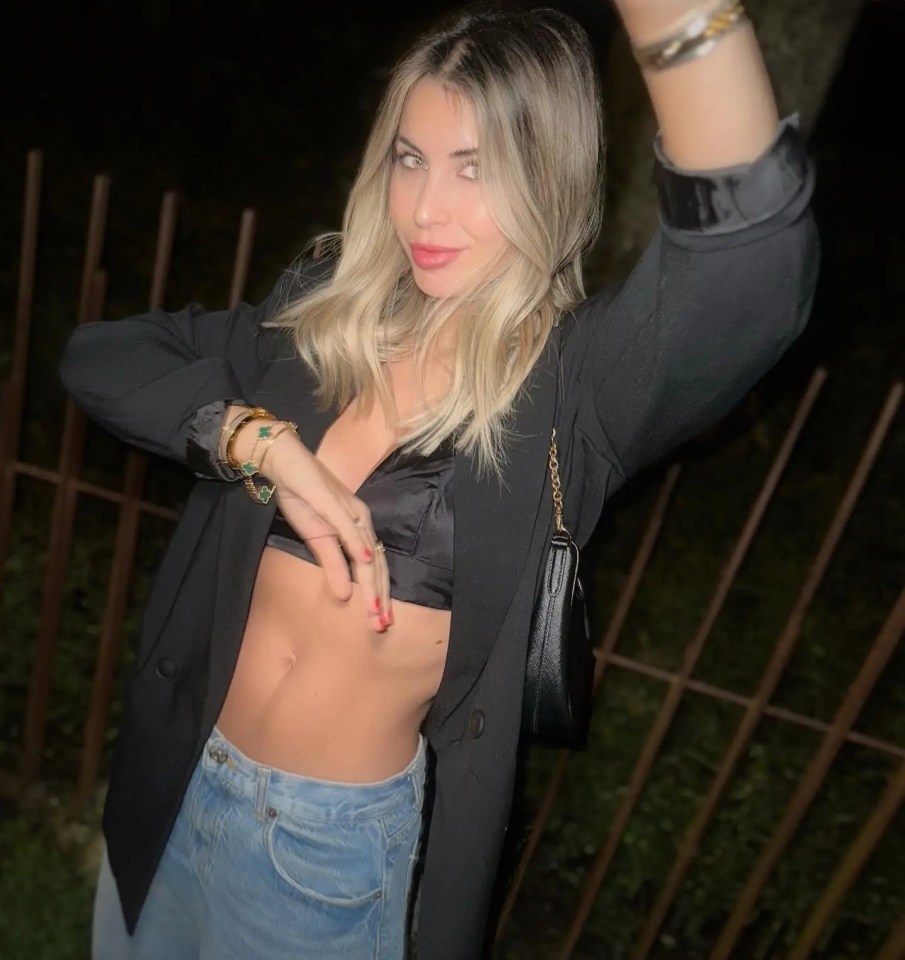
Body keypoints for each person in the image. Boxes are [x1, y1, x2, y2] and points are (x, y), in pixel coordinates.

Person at [59, 0, 819, 957]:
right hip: (173, 781)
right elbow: (104, 355)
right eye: (410, 159)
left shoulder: (578, 388)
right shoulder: (324, 315)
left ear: (552, 179)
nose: (426, 209)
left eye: (478, 169)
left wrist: (674, 15)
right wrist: (257, 442)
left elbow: (748, 264)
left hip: (321, 854)